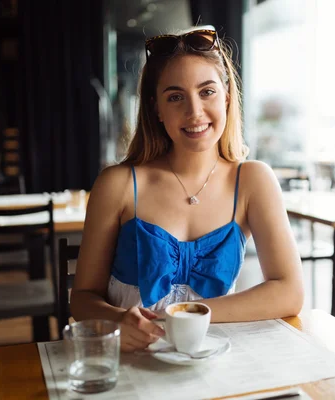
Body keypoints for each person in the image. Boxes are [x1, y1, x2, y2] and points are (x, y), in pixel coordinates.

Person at [70, 27, 304, 352]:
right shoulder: (118, 184)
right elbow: (82, 300)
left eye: (206, 91)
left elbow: (289, 292)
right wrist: (116, 321)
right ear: (156, 109)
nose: (194, 112)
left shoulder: (253, 181)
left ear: (226, 95)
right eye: (175, 97)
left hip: (216, 360)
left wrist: (178, 317)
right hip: (133, 360)